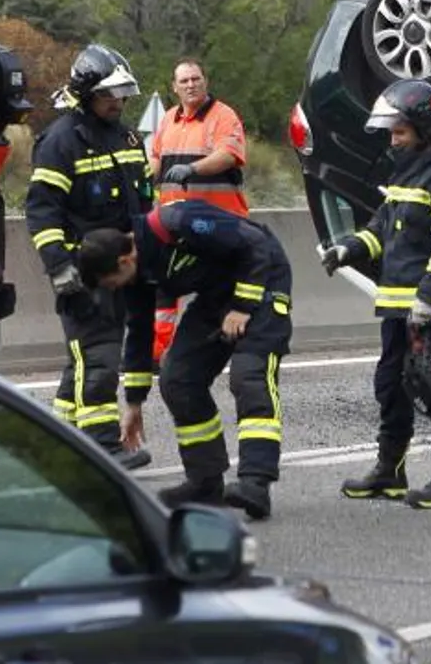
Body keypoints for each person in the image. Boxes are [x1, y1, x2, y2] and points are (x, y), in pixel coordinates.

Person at [75, 197, 292, 520]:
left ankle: (255, 483)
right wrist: (134, 403)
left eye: (111, 283)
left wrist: (243, 307)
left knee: (249, 377)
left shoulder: (175, 222)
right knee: (177, 378)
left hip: (261, 281)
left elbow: (255, 244)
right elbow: (139, 332)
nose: (114, 290)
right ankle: (205, 482)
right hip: (216, 296)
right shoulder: (136, 275)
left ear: (124, 261)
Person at [318, 79, 431, 511]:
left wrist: (428, 300)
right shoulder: (408, 168)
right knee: (391, 384)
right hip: (396, 304)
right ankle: (390, 470)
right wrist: (348, 248)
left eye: (399, 131)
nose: (393, 140)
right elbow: (384, 227)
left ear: (423, 127)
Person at [23, 43, 155, 471]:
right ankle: (102, 447)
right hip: (85, 272)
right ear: (86, 95)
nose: (117, 102)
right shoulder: (62, 142)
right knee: (97, 357)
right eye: (108, 95)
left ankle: (61, 442)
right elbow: (42, 211)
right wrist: (60, 269)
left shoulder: (128, 136)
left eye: (121, 94)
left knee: (82, 359)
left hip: (126, 269)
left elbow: (144, 203)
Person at [145, 58, 251, 364]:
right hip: (175, 225)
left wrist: (192, 168)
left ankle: (231, 348)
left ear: (205, 81)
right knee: (164, 288)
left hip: (219, 226)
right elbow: (156, 160)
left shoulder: (223, 116)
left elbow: (228, 155)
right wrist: (138, 177)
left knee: (223, 291)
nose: (191, 85)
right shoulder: (168, 120)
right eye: (184, 81)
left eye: (196, 79)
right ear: (174, 87)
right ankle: (156, 353)